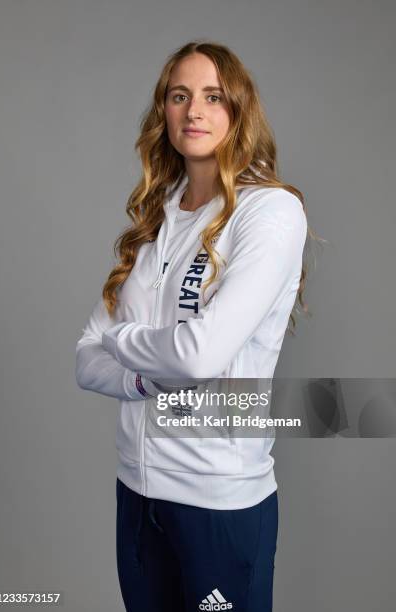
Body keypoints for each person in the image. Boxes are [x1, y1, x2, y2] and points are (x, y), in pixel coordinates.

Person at [76, 39, 311, 612]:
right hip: (136, 492)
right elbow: (85, 357)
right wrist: (140, 378)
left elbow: (200, 356)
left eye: (213, 96)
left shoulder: (269, 212)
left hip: (218, 500)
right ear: (164, 112)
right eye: (179, 96)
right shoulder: (156, 218)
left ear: (238, 111)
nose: (194, 111)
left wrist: (120, 341)